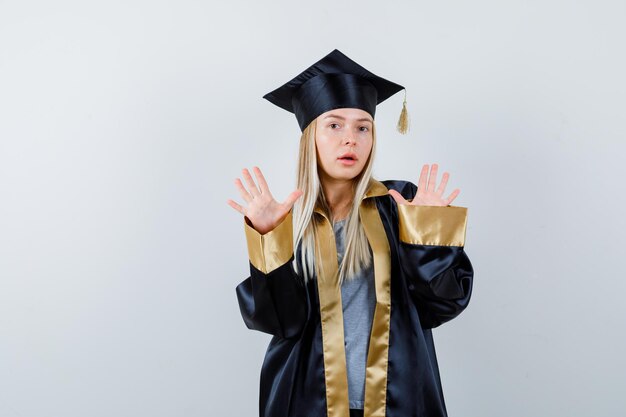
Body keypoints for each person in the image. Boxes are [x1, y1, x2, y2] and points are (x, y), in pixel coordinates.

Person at [227, 49, 474, 417]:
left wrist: (427, 233)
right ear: (310, 137)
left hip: (398, 402)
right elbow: (279, 322)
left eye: (363, 127)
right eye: (334, 125)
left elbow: (444, 304)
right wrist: (268, 238)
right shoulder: (287, 221)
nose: (351, 139)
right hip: (307, 401)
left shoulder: (400, 206)